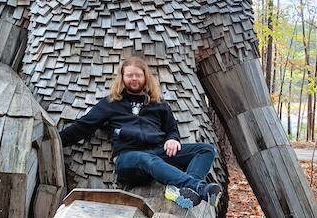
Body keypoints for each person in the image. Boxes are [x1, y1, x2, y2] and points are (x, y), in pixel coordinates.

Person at [59, 57, 222, 208]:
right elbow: (83, 126)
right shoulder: (111, 103)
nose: (134, 79)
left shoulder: (158, 104)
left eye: (138, 75)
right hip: (128, 159)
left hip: (158, 153)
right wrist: (56, 140)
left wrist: (173, 139)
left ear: (145, 77)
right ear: (122, 77)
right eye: (129, 75)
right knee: (147, 159)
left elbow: (171, 129)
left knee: (205, 149)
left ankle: (187, 191)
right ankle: (199, 188)